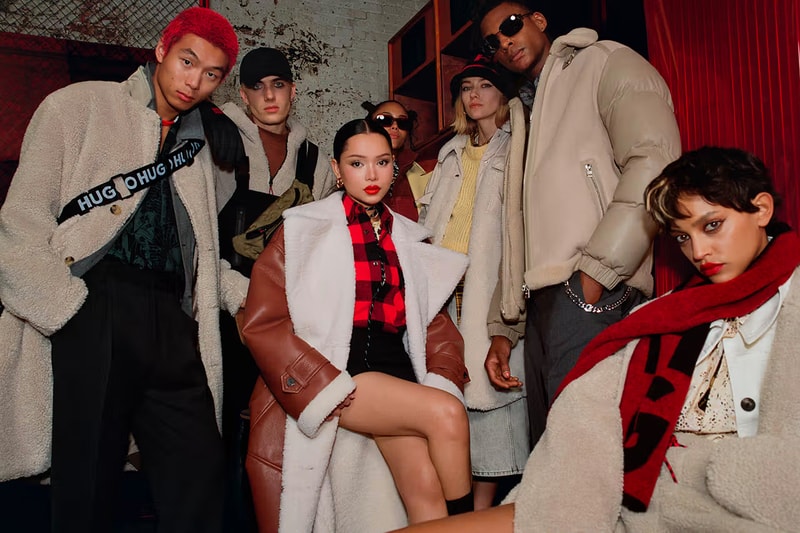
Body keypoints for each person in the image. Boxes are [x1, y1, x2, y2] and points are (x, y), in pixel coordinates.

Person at [392, 146, 800, 532]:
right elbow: (585, 422)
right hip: (634, 509)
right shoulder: (664, 316)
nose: (698, 250)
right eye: (682, 237)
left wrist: (714, 471)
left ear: (761, 209)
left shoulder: (790, 300)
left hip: (737, 510)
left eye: (712, 225)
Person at [0, 7, 248, 532]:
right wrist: (66, 310)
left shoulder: (199, 147)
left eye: (211, 74)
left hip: (175, 319)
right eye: (187, 61)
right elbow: (21, 220)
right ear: (161, 50)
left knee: (201, 476)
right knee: (87, 484)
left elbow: (204, 251)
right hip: (95, 303)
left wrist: (253, 294)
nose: (194, 81)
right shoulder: (78, 106)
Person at [241, 119, 473, 532]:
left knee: (425, 492)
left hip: (399, 370)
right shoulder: (304, 228)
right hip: (343, 372)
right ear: (336, 168)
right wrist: (318, 383)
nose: (371, 175)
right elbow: (263, 322)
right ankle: (474, 525)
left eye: (382, 162)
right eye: (357, 163)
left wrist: (443, 370)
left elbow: (433, 321)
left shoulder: (409, 236)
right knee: (448, 412)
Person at [476, 0, 682, 447]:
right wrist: (505, 327)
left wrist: (595, 274)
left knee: (588, 450)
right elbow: (518, 225)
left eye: (511, 25)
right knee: (552, 455)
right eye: (492, 42)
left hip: (595, 288)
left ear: (539, 20)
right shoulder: (522, 112)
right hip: (542, 305)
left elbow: (654, 162)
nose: (504, 42)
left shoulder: (604, 61)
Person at [215, 47, 336, 523]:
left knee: (280, 426)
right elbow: (199, 234)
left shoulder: (314, 160)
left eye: (278, 85)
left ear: (293, 90)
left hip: (287, 315)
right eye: (257, 87)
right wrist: (236, 299)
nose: (269, 95)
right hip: (224, 306)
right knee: (221, 424)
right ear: (243, 95)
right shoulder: (218, 144)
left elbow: (320, 244)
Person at [419, 56, 528, 510]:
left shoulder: (517, 146)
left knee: (492, 392)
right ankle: (460, 505)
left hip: (488, 283)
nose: (475, 95)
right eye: (466, 88)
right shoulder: (450, 152)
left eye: (485, 85)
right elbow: (429, 217)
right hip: (442, 286)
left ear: (503, 94)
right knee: (449, 391)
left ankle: (483, 510)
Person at [367, 99, 427, 221]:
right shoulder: (353, 169)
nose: (394, 126)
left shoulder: (424, 173)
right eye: (384, 120)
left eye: (403, 123)